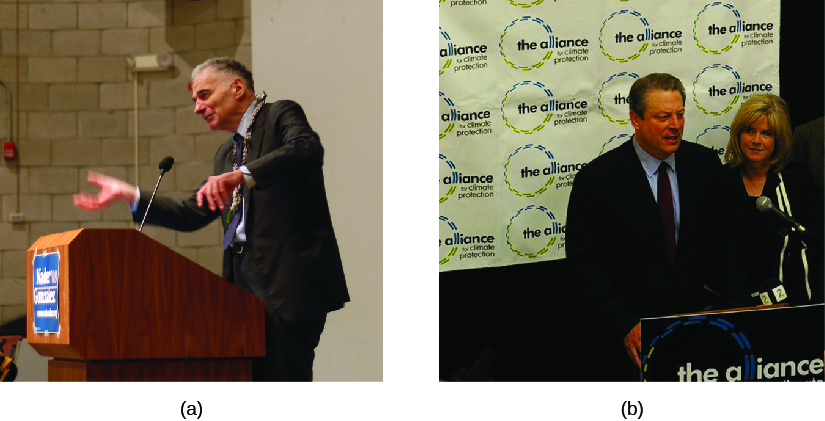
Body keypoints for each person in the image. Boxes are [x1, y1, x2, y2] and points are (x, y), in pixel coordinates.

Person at [74, 57, 350, 381]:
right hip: (239, 291)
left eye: (204, 95)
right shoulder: (225, 153)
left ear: (236, 87)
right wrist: (130, 194)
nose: (197, 107)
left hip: (285, 285)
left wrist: (241, 176)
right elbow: (193, 212)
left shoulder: (279, 116)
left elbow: (306, 149)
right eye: (195, 100)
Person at [565, 73, 747, 381]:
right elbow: (587, 266)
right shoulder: (599, 181)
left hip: (699, 333)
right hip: (632, 342)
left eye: (680, 114)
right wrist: (624, 324)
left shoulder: (703, 165)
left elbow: (722, 245)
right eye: (663, 117)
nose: (675, 125)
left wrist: (736, 310)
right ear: (636, 119)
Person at [722, 94, 823, 305]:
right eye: (750, 131)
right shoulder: (721, 182)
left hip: (795, 306)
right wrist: (747, 305)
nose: (756, 140)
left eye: (766, 133)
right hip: (738, 308)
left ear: (779, 139)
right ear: (738, 134)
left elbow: (812, 246)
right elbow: (720, 255)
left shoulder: (796, 180)